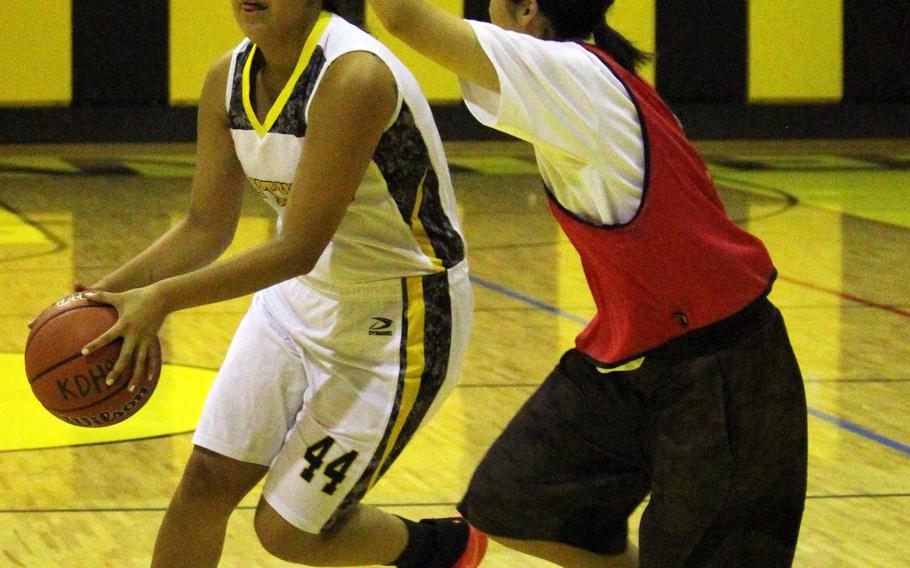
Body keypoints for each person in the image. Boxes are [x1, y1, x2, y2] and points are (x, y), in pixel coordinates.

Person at [366, 0, 809, 566]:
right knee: (517, 504)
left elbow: (401, 17)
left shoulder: (570, 74)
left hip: (721, 369)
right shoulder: (584, 70)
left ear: (528, 9)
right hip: (642, 359)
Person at [75, 1, 486, 566]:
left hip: (403, 313)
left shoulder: (354, 75)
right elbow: (204, 227)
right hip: (297, 299)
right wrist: (98, 300)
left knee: (288, 533)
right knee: (204, 480)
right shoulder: (227, 76)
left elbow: (298, 247)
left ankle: (438, 550)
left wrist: (164, 298)